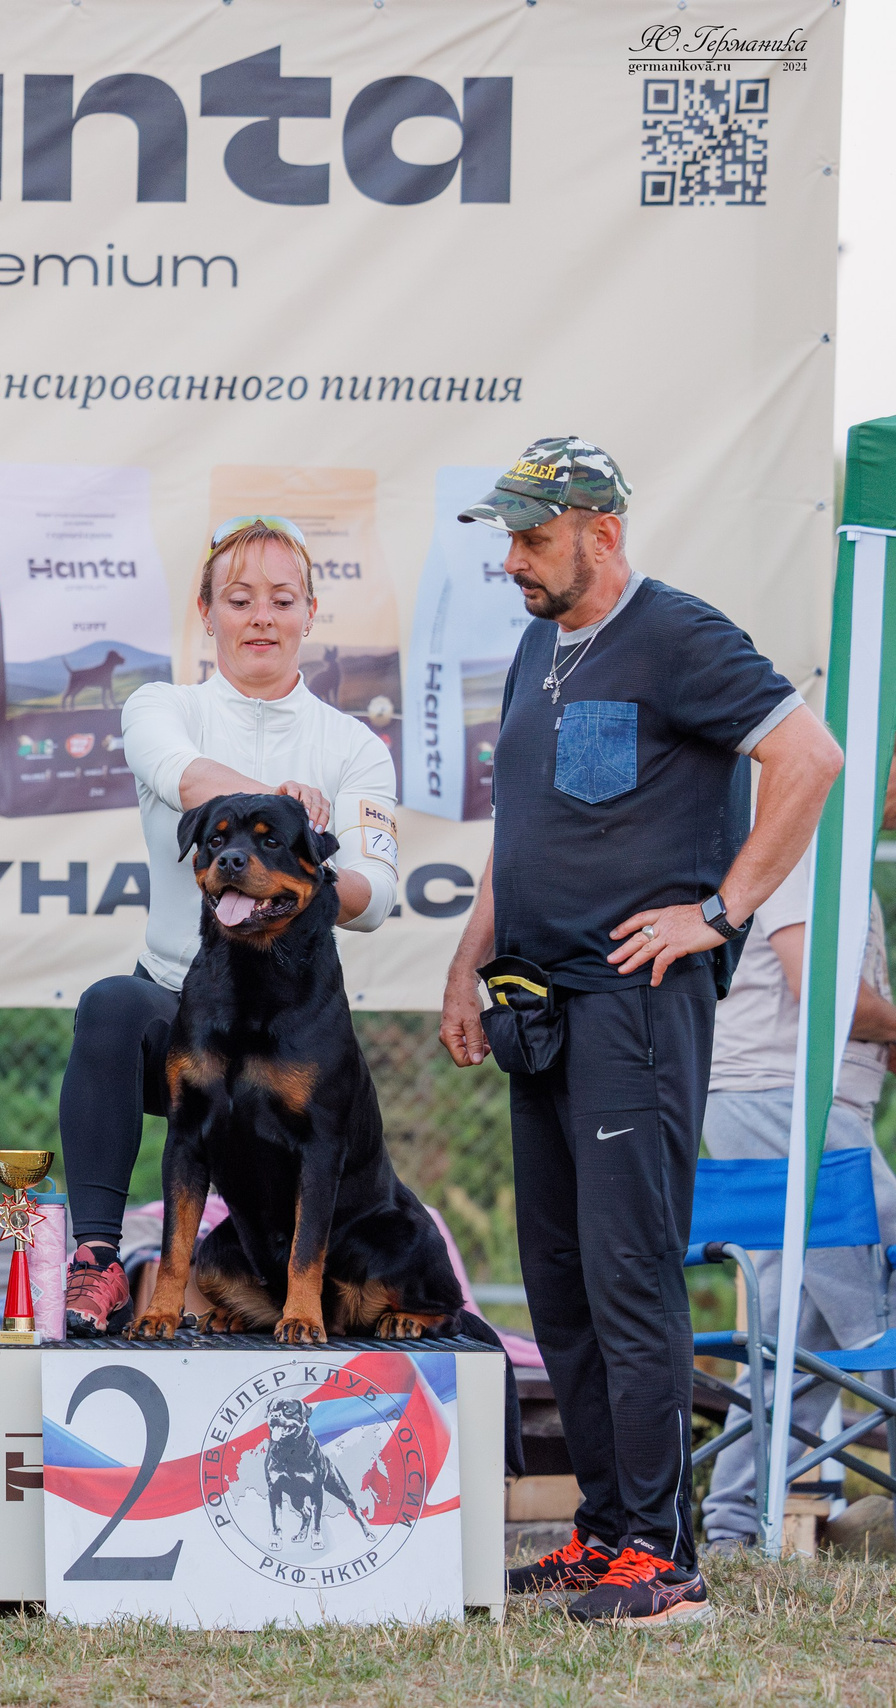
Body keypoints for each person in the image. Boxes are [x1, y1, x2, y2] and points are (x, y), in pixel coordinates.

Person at [437, 437, 843, 1625]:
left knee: (627, 1275)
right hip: (536, 1006)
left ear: (598, 531)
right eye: (504, 537)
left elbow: (807, 758)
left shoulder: (678, 633)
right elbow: (525, 834)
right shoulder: (529, 647)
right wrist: (467, 964)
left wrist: (719, 911)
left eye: (529, 536)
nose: (510, 559)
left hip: (634, 1008)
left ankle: (663, 1559)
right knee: (558, 1284)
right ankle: (604, 1530)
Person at [57, 516, 402, 1334]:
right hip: (182, 1005)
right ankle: (98, 1263)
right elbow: (187, 778)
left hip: (290, 1021)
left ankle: (322, 1284)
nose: (261, 617)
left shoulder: (355, 746)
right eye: (239, 599)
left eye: (281, 600)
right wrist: (278, 813)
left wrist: (312, 863)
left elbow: (375, 896)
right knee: (109, 1004)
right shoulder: (159, 706)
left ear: (310, 613)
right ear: (206, 613)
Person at [699, 840, 896, 1551]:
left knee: (797, 1329)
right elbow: (814, 984)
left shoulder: (837, 856)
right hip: (786, 1100)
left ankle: (730, 1526)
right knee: (877, 1309)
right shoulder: (813, 849)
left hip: (798, 1100)